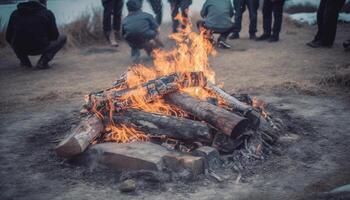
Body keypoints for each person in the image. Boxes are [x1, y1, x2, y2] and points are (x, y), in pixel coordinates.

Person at [6, 0, 67, 69]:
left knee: (14, 41)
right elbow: (55, 36)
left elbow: (8, 36)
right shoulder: (47, 13)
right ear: (44, 3)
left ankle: (25, 62)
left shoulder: (15, 13)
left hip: (21, 48)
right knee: (63, 37)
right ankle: (43, 62)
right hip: (40, 47)